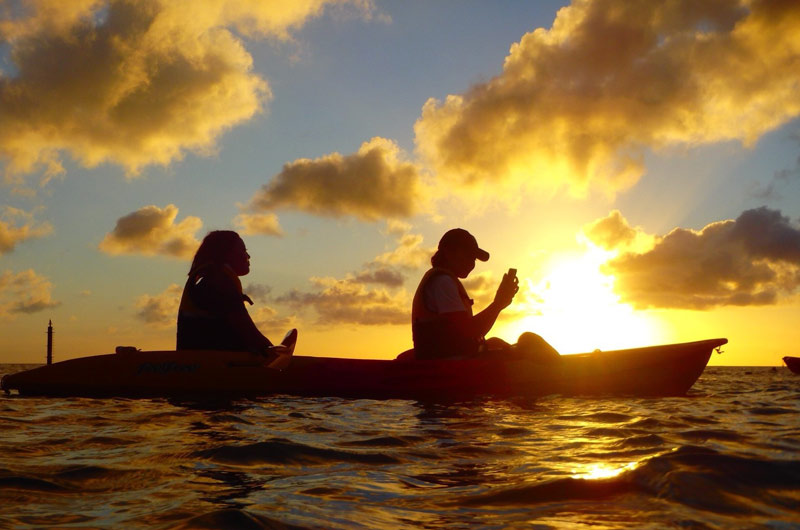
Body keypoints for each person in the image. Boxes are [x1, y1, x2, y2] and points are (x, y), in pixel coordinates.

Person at [411, 228, 559, 361]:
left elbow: (463, 334)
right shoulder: (443, 282)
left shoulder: (443, 280)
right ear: (449, 252)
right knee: (529, 340)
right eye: (468, 256)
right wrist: (498, 304)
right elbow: (467, 333)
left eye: (474, 259)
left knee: (496, 342)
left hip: (452, 358)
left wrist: (500, 303)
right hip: (450, 366)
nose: (472, 263)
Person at [177, 230, 274, 353]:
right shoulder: (218, 282)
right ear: (226, 254)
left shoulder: (211, 279)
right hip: (211, 364)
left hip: (206, 361)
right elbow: (246, 330)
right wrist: (274, 353)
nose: (248, 256)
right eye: (244, 251)